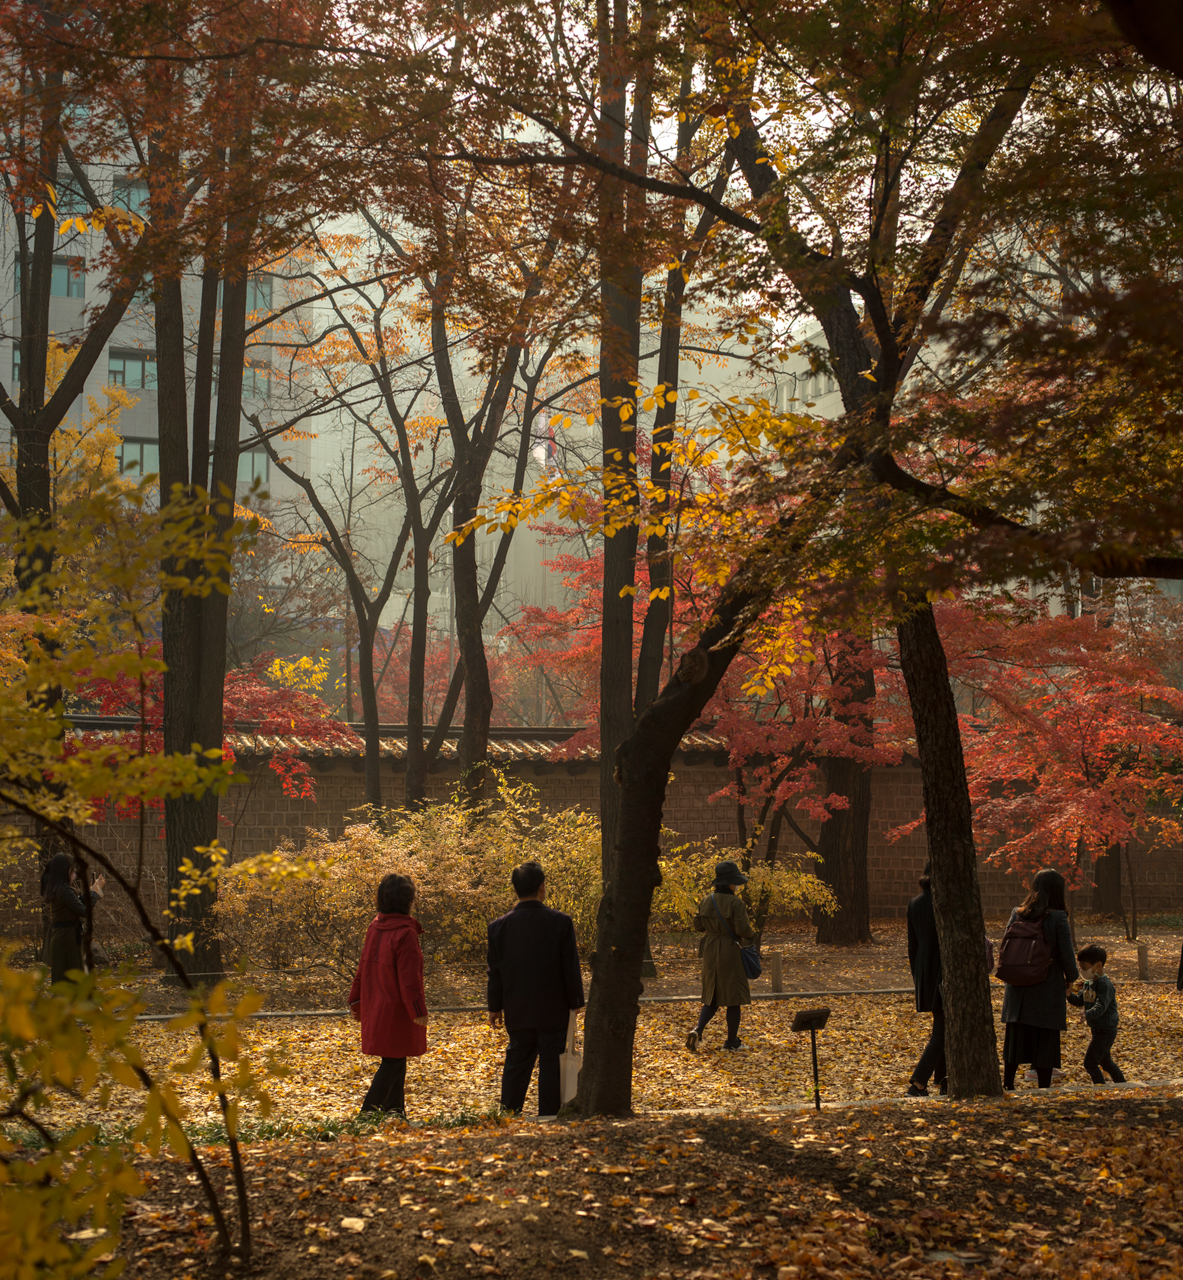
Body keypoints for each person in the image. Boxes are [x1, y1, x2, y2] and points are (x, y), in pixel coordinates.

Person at [486, 860, 585, 1117]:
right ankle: (549, 1115)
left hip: (517, 1006)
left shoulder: (498, 927)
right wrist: (576, 1000)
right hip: (554, 1006)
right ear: (542, 887)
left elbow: (495, 972)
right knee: (552, 1061)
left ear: (516, 889)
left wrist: (494, 1007)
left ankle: (509, 1113)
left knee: (517, 1059)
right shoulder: (560, 922)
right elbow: (569, 966)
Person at [348, 873, 429, 1119]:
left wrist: (355, 999)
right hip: (397, 1009)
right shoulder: (405, 933)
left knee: (396, 1058)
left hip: (377, 1005)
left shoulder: (375, 927)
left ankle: (396, 1113)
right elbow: (409, 978)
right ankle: (367, 1115)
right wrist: (418, 1010)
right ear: (408, 901)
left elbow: (363, 967)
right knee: (393, 1062)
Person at [1000, 868, 1078, 1090]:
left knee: (1015, 1038)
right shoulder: (1057, 917)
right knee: (1046, 1038)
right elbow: (1066, 953)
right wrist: (1071, 978)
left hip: (1016, 987)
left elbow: (1007, 943)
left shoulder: (1018, 912)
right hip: (1046, 987)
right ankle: (1043, 1087)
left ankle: (1008, 1084)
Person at [685, 860, 753, 1053]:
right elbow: (743, 929)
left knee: (712, 996)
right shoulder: (736, 903)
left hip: (710, 950)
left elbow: (698, 926)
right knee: (734, 997)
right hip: (729, 951)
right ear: (731, 883)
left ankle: (698, 1030)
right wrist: (750, 935)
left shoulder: (707, 900)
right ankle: (732, 1042)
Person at [906, 861, 946, 1097]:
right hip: (943, 972)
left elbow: (913, 947)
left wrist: (917, 976)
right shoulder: (945, 903)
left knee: (942, 1025)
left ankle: (945, 1080)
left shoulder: (915, 903)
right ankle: (919, 1082)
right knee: (942, 1030)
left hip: (925, 973)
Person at [41, 854, 105, 984]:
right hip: (66, 939)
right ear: (65, 870)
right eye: (72, 868)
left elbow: (75, 905)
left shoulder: (60, 889)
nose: (74, 872)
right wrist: (95, 894)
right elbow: (83, 911)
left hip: (65, 937)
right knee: (70, 980)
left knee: (64, 979)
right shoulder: (65, 891)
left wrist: (91, 892)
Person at [1067, 943, 1126, 1085]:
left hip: (1106, 1029)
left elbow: (1101, 1006)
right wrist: (1068, 994)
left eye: (1084, 967)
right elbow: (1080, 1000)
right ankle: (1123, 1085)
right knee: (1106, 1062)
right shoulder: (1089, 982)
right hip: (1097, 1028)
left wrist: (1088, 1014)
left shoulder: (1104, 985)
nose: (1082, 971)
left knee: (1090, 1063)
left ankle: (1101, 1088)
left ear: (1097, 965)